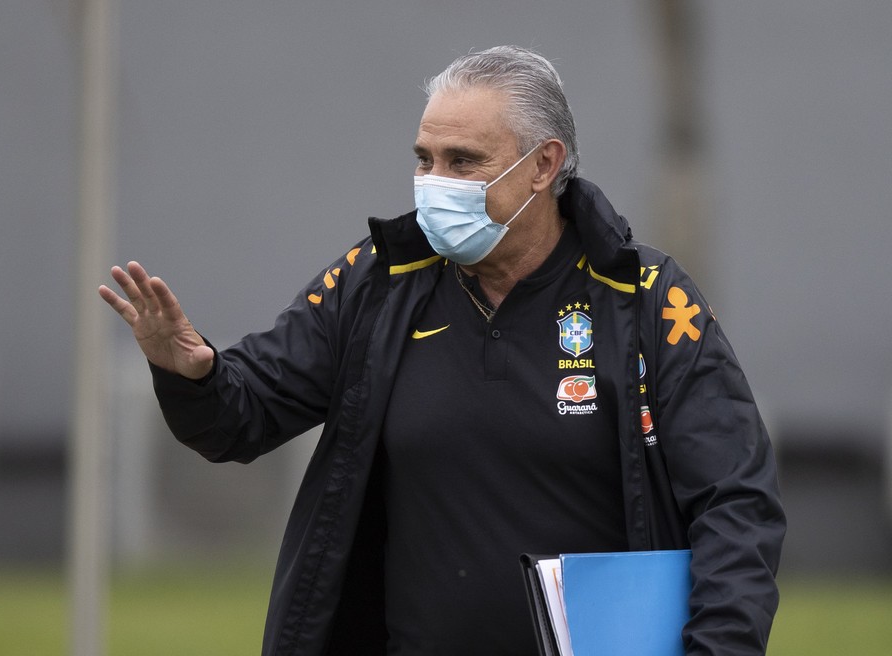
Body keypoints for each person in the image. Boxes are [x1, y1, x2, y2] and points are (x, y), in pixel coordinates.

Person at [99, 46, 785, 656]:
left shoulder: (645, 300)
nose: (435, 184)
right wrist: (192, 371)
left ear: (544, 164)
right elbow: (239, 418)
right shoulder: (378, 281)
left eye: (464, 162)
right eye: (425, 159)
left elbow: (737, 501)